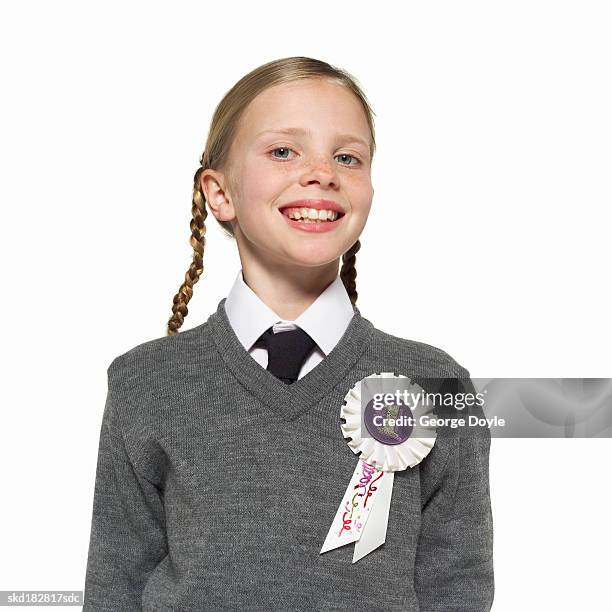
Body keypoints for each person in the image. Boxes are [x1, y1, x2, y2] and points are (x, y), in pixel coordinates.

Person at [83, 56, 494, 611]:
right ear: (219, 193)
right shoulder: (143, 381)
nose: (322, 172)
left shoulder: (438, 382)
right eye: (283, 151)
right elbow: (116, 586)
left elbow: (458, 585)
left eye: (347, 157)